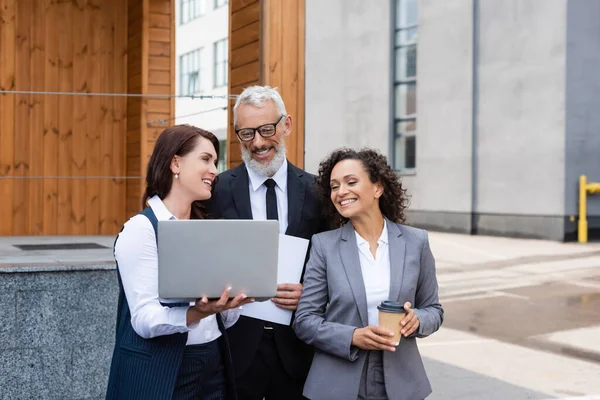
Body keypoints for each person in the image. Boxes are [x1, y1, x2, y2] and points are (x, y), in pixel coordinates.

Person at [106, 125, 253, 400]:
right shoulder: (142, 229)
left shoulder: (207, 230)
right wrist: (197, 313)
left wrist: (234, 300)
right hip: (161, 370)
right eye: (206, 159)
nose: (214, 170)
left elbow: (224, 319)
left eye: (215, 161)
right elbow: (144, 320)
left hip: (214, 362)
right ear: (176, 162)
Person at [293, 148, 444, 400]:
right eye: (334, 186)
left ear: (378, 188)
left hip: (400, 382)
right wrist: (353, 336)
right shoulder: (323, 246)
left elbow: (434, 310)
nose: (341, 192)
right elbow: (305, 320)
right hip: (338, 381)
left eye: (351, 182)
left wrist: (417, 319)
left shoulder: (416, 242)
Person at [207, 86, 325, 399]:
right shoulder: (216, 191)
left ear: (286, 125)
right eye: (246, 133)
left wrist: (311, 294)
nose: (258, 142)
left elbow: (334, 264)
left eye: (266, 129)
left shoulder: (318, 191)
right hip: (236, 347)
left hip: (299, 347)